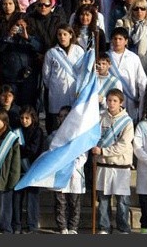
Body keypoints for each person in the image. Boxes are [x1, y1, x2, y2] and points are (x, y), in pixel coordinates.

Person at [91, 89, 134, 234]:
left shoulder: (127, 122)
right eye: (109, 100)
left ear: (121, 102)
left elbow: (123, 145)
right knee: (103, 199)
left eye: (115, 101)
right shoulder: (100, 118)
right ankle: (104, 227)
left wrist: (103, 151)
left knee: (122, 200)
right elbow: (94, 137)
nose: (111, 103)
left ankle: (123, 227)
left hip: (121, 165)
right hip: (103, 165)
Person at [46, 105, 87, 234]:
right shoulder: (54, 135)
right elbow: (51, 153)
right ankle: (62, 227)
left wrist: (71, 166)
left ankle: (73, 227)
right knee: (60, 202)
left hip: (74, 172)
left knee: (74, 202)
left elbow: (83, 154)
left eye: (66, 116)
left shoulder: (79, 135)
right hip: (59, 172)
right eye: (61, 116)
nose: (63, 118)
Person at [42, 23, 86, 133]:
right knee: (57, 123)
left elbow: (83, 71)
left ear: (71, 35)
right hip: (57, 93)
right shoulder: (51, 53)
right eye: (59, 34)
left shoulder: (78, 50)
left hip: (74, 90)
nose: (62, 37)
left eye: (65, 34)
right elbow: (46, 75)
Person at [13, 105, 45, 234]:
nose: (24, 120)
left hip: (32, 169)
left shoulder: (38, 132)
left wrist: (20, 150)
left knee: (32, 200)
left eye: (27, 118)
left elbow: (33, 149)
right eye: (22, 118)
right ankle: (17, 225)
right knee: (17, 199)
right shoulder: (17, 131)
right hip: (19, 169)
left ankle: (32, 225)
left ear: (33, 118)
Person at [108, 27, 147, 123]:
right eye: (115, 39)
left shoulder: (133, 58)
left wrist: (142, 106)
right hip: (111, 102)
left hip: (131, 101)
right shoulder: (106, 58)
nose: (117, 41)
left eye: (120, 39)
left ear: (126, 41)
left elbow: (142, 82)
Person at [114, 0, 147, 72]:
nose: (139, 11)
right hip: (124, 65)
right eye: (136, 9)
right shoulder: (121, 23)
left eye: (143, 9)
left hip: (143, 66)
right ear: (132, 10)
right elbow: (115, 44)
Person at [133, 100, 147, 234]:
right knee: (146, 205)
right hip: (146, 170)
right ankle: (144, 230)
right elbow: (137, 147)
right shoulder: (142, 126)